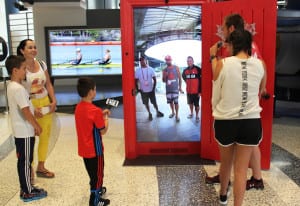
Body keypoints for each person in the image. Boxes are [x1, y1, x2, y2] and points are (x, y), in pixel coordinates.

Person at [206, 13, 266, 191]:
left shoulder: (243, 48)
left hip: (236, 112)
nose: (221, 31)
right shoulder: (239, 47)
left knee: (247, 146)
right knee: (249, 144)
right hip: (244, 111)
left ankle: (255, 177)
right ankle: (254, 177)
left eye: (223, 28)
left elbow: (220, 76)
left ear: (231, 29)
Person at [5, 55, 47, 202]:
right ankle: (27, 191)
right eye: (23, 69)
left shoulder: (12, 86)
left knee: (24, 161)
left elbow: (26, 108)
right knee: (25, 162)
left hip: (20, 131)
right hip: (24, 132)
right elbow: (26, 112)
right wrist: (37, 125)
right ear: (15, 70)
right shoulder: (18, 89)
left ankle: (28, 187)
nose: (25, 71)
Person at [17, 39, 57, 178]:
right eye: (29, 47)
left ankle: (41, 166)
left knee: (45, 136)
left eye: (34, 47)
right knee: (30, 138)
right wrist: (33, 110)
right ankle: (29, 169)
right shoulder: (19, 68)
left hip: (45, 103)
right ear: (22, 50)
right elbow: (20, 92)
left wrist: (53, 101)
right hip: (29, 106)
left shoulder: (41, 64)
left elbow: (49, 84)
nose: (33, 49)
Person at [75, 77, 111, 206]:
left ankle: (98, 190)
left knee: (92, 173)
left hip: (84, 150)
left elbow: (89, 121)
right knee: (98, 174)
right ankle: (95, 200)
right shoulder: (95, 111)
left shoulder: (79, 107)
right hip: (96, 151)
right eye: (95, 89)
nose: (95, 92)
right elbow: (102, 130)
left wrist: (100, 114)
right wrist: (106, 117)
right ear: (90, 92)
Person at [135, 56, 164, 120]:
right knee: (146, 103)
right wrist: (138, 89)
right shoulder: (138, 70)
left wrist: (153, 88)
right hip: (143, 91)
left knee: (154, 102)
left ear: (146, 61)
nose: (142, 61)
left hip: (151, 90)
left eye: (143, 60)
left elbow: (155, 79)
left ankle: (157, 111)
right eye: (141, 60)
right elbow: (136, 81)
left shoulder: (151, 69)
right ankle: (149, 113)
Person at [182, 56, 202, 122]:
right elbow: (184, 77)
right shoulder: (185, 71)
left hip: (196, 92)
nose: (189, 62)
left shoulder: (198, 69)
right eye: (188, 61)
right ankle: (191, 113)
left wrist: (200, 92)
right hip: (189, 92)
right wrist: (188, 82)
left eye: (190, 61)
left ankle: (197, 116)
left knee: (197, 105)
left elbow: (202, 81)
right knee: (190, 104)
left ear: (193, 61)